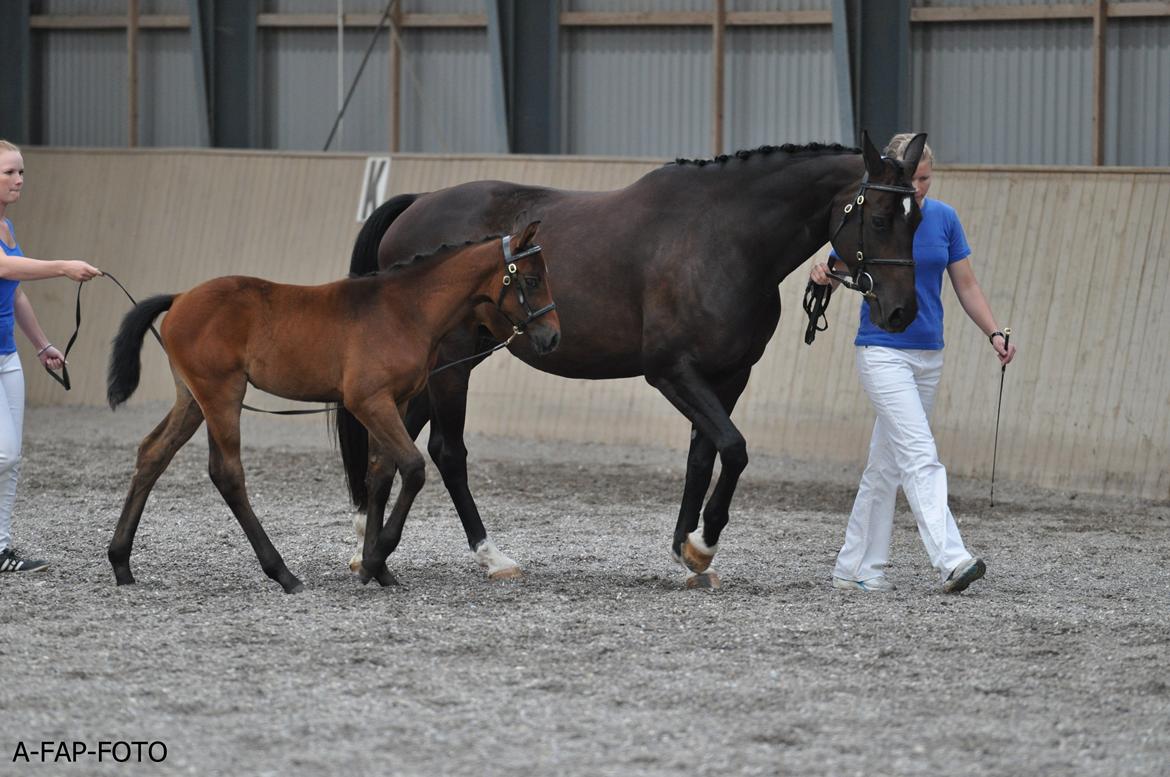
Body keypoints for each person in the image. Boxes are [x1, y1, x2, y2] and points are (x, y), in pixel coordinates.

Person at [810, 133, 1017, 594]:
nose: (920, 186)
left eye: (925, 177)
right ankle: (951, 558)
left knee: (885, 467)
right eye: (914, 178)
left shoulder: (944, 219)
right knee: (920, 453)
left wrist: (994, 331)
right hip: (882, 350)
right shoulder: (874, 214)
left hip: (929, 354)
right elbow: (837, 265)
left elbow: (966, 286)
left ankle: (856, 566)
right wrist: (822, 271)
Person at [0, 140, 102, 573]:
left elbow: (15, 292)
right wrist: (62, 266)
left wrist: (42, 345)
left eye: (21, 172)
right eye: (9, 172)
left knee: (13, 457)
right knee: (2, 454)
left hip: (7, 356)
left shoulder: (5, 225)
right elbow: (4, 268)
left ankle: (0, 549)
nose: (19, 180)